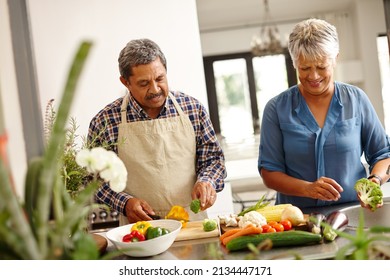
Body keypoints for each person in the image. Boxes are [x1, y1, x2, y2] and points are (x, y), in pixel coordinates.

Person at [88, 38, 226, 224]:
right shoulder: (104, 121)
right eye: (144, 83)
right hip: (139, 228)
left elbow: (213, 160)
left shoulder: (193, 109)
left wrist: (207, 181)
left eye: (160, 78)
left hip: (192, 222)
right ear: (125, 82)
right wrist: (125, 203)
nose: (155, 89)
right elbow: (95, 180)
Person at [258, 18, 390, 210]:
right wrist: (308, 189)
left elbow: (384, 154)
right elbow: (269, 173)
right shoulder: (276, 109)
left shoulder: (356, 100)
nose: (314, 76)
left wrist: (374, 181)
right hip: (296, 218)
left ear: (335, 58)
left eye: (321, 67)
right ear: (294, 63)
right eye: (304, 68)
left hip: (351, 213)